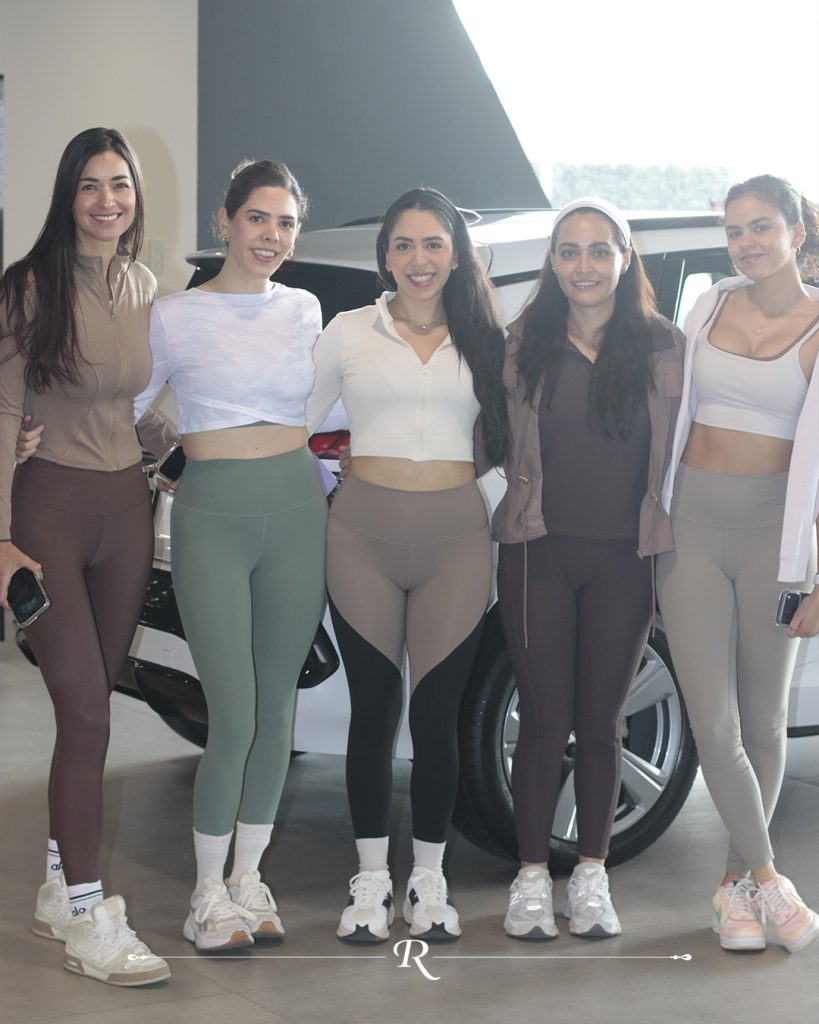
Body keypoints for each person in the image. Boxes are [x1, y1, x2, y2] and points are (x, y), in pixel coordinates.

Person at [132, 159, 329, 952]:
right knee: (234, 712)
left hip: (297, 510)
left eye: (285, 223)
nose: (270, 236)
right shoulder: (174, 315)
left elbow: (328, 403)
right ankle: (205, 895)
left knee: (277, 710)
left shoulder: (306, 308)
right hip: (212, 516)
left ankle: (248, 881)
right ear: (224, 220)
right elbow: (130, 407)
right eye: (257, 218)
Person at [306, 187, 508, 943]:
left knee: (436, 716)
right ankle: (368, 880)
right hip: (361, 537)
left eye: (432, 244)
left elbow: (516, 441)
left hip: (458, 542)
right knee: (372, 710)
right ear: (384, 255)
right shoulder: (348, 331)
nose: (418, 259)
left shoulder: (488, 339)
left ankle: (428, 878)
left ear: (455, 253)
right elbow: (294, 427)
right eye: (403, 245)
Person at [0, 128, 174, 986]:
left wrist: (198, 444)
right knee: (86, 709)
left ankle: (55, 886)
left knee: (90, 709)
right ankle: (88, 917)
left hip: (125, 515)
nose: (108, 201)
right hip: (47, 515)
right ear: (68, 195)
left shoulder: (144, 286)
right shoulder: (28, 288)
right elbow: (4, 411)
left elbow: (136, 407)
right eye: (91, 185)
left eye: (120, 184)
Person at [491, 198, 685, 940]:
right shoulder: (521, 345)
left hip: (624, 560)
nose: (584, 266)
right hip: (536, 551)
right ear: (552, 261)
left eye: (599, 250)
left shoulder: (664, 346)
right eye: (569, 251)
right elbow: (477, 432)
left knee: (602, 724)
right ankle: (530, 878)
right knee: (545, 720)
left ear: (625, 259)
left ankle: (592, 877)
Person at [656, 174, 819, 954]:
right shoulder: (708, 306)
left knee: (763, 721)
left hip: (777, 543)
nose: (745, 244)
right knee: (713, 723)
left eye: (759, 228)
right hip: (690, 526)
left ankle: (733, 891)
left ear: (795, 231)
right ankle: (769, 877)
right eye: (733, 231)